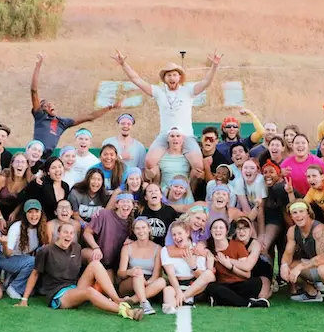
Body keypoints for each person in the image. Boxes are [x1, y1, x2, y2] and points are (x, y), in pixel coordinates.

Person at [111, 49, 223, 177]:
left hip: (186, 135)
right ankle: (158, 187)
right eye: (168, 75)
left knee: (198, 167)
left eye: (174, 75)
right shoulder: (158, 91)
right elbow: (137, 80)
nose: (172, 78)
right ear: (164, 78)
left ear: (179, 77)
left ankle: (188, 191)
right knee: (149, 162)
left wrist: (214, 66)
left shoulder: (188, 91)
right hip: (165, 134)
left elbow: (206, 82)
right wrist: (123, 64)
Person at [14, 222, 143, 321]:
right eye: (65, 232)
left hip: (74, 287)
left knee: (95, 264)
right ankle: (126, 312)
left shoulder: (76, 247)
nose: (69, 236)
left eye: (72, 233)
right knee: (89, 291)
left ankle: (117, 299)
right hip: (59, 294)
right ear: (58, 233)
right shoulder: (46, 251)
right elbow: (35, 273)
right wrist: (24, 299)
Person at [30, 53, 120, 157]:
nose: (49, 105)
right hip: (34, 155)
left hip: (46, 159)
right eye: (45, 105)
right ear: (41, 109)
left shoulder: (61, 122)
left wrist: (110, 107)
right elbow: (34, 90)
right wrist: (38, 65)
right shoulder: (40, 116)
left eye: (50, 103)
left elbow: (90, 117)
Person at [280, 200, 324, 309]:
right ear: (291, 217)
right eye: (294, 213)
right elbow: (288, 254)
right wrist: (283, 265)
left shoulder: (319, 229)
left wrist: (300, 267)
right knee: (289, 266)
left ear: (308, 213)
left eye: (301, 211)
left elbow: (323, 258)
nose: (298, 215)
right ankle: (312, 293)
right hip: (316, 266)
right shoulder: (292, 231)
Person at [0, 199, 48, 299]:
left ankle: (11, 279)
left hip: (22, 258)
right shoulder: (17, 227)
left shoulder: (41, 227)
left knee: (40, 256)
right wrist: (4, 244)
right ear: (25, 214)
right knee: (32, 261)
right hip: (7, 258)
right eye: (30, 212)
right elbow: (8, 253)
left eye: (36, 211)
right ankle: (14, 288)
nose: (34, 215)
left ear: (41, 213)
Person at [161, 221, 215, 313]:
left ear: (187, 233)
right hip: (177, 284)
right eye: (174, 235)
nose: (176, 237)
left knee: (209, 274)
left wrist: (193, 266)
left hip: (194, 284)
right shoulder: (165, 250)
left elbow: (202, 277)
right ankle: (174, 304)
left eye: (179, 233)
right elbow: (171, 275)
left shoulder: (197, 249)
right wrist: (178, 291)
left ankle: (181, 299)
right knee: (168, 290)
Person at [206, 218, 262, 307]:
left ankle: (224, 300)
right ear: (211, 231)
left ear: (226, 231)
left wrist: (229, 266)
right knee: (212, 287)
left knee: (256, 282)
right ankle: (247, 303)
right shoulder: (209, 247)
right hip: (223, 285)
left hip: (240, 284)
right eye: (215, 228)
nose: (218, 230)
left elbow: (247, 275)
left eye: (221, 228)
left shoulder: (237, 245)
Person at [117, 217, 166, 315]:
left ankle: (131, 300)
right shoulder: (127, 248)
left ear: (149, 229)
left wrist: (144, 283)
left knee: (162, 281)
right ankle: (144, 302)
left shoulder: (158, 249)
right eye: (137, 228)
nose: (141, 231)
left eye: (143, 227)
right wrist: (129, 272)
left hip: (148, 283)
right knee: (138, 272)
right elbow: (120, 273)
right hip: (130, 281)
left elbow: (156, 276)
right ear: (134, 231)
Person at [82, 193, 135, 282]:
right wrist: (96, 247)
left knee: (106, 284)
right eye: (123, 202)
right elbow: (87, 233)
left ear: (133, 206)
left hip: (111, 264)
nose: (126, 204)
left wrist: (132, 242)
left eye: (129, 202)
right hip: (96, 254)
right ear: (116, 204)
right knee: (94, 256)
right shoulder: (104, 214)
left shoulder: (133, 223)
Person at [232, 216, 274, 306]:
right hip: (240, 271)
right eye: (239, 228)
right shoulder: (231, 241)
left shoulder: (255, 244)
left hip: (259, 268)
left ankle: (271, 286)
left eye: (245, 228)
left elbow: (248, 266)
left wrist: (227, 260)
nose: (242, 232)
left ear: (251, 230)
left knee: (262, 296)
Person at [18, 156, 70, 221]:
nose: (57, 170)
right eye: (53, 168)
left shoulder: (66, 186)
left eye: (60, 166)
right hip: (41, 221)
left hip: (58, 221)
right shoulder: (40, 183)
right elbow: (22, 196)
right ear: (48, 172)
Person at [0, 152, 32, 232]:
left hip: (15, 213)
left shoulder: (28, 182)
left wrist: (16, 211)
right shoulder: (3, 178)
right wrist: (0, 217)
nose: (20, 164)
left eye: (23, 162)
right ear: (12, 164)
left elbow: (25, 200)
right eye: (17, 161)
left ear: (27, 166)